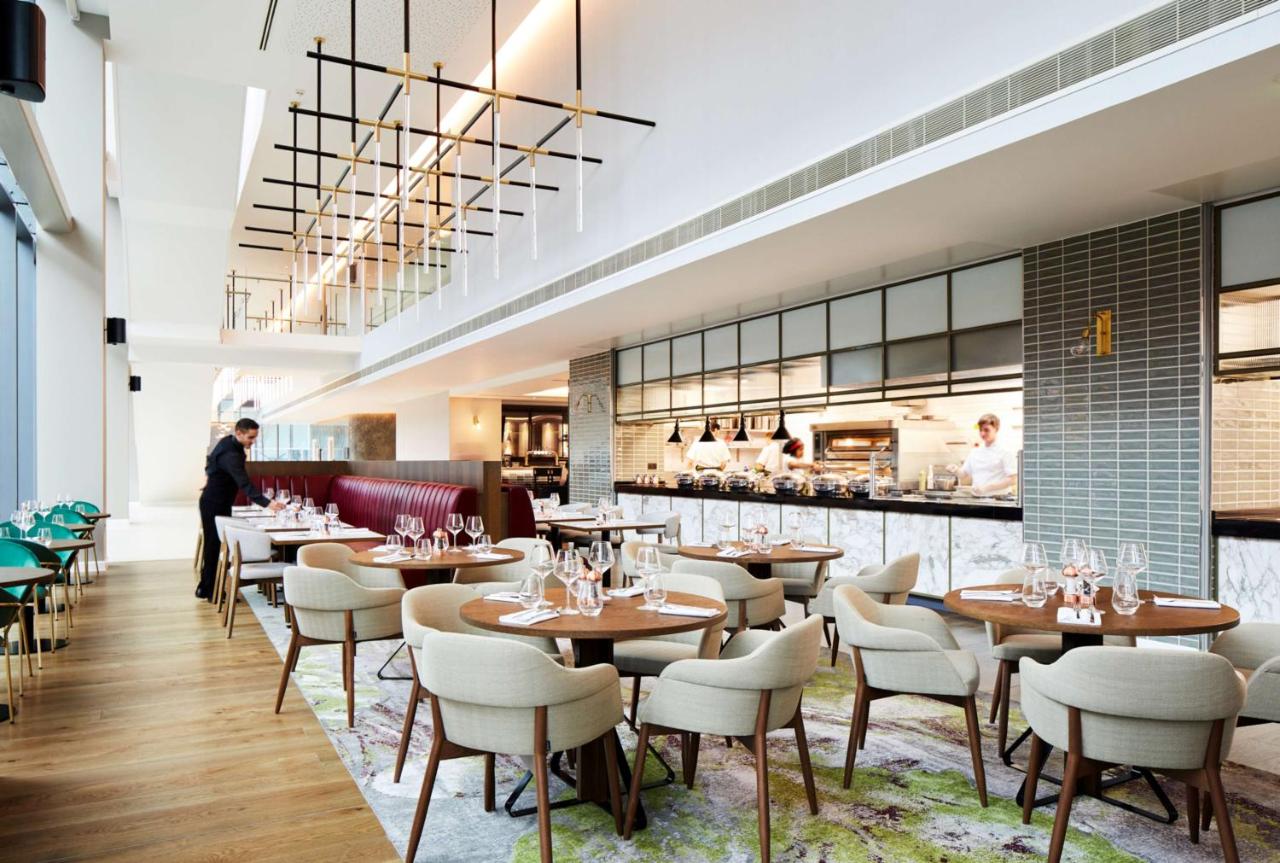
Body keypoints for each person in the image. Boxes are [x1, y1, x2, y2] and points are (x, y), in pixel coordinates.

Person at [196, 418, 282, 599]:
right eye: (250, 437)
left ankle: (206, 588)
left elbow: (210, 463)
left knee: (214, 546)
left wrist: (211, 477)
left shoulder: (228, 443)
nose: (253, 441)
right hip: (214, 503)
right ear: (239, 433)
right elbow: (244, 484)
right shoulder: (232, 455)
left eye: (255, 437)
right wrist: (269, 504)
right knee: (214, 546)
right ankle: (208, 590)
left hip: (217, 501)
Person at [947, 412, 1017, 495]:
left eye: (986, 430)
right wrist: (955, 470)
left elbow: (1013, 479)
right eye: (980, 430)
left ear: (996, 429)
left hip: (998, 499)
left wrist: (987, 488)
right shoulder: (975, 451)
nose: (982, 433)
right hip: (977, 499)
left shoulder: (1005, 450)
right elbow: (964, 474)